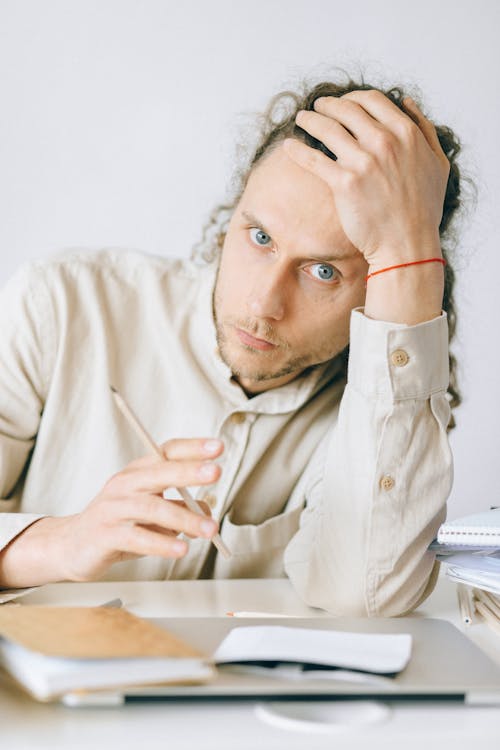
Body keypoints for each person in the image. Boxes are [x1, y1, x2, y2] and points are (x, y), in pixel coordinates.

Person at [0, 76, 463, 616]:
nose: (263, 304)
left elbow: (369, 594)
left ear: (382, 280)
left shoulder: (388, 397)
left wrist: (409, 250)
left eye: (322, 270)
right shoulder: (64, 303)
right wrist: (63, 542)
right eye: (260, 237)